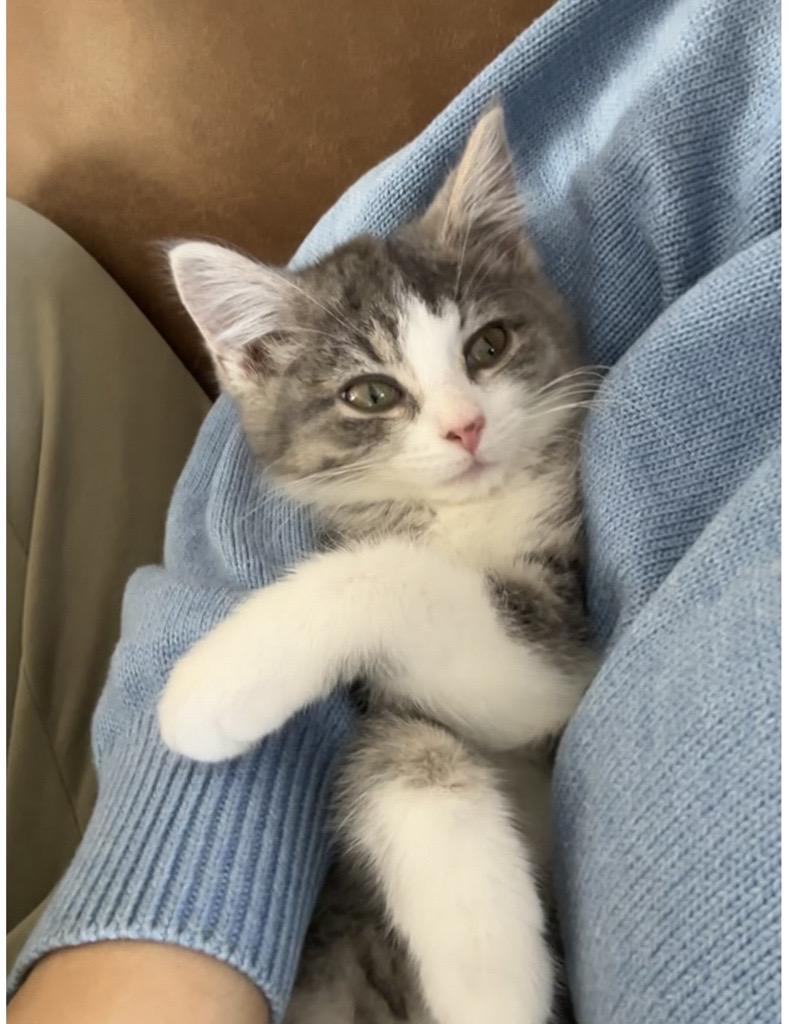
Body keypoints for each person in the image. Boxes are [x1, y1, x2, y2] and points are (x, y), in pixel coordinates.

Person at [7, 0, 780, 1021]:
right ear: (254, 363)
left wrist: (358, 604)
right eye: (376, 393)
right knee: (396, 774)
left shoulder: (553, 473)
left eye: (486, 347)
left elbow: (537, 688)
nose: (460, 419)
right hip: (327, 949)